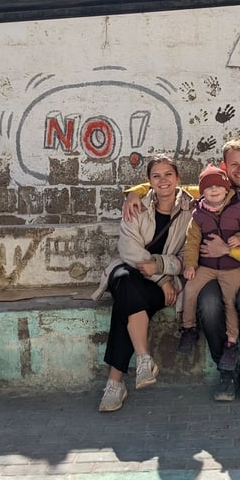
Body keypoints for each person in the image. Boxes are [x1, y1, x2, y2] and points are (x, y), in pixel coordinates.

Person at [124, 138, 240, 403]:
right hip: (212, 267)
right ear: (225, 166)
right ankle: (226, 368)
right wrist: (134, 192)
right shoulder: (213, 188)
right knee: (208, 303)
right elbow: (168, 185)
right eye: (234, 164)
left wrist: (229, 250)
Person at [92, 154, 194, 412]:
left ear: (178, 178)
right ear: (148, 182)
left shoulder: (191, 210)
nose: (163, 181)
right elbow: (128, 249)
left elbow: (188, 257)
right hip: (134, 274)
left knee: (125, 304)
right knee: (125, 281)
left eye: (168, 174)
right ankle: (142, 358)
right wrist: (160, 279)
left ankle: (115, 383)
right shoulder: (136, 206)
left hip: (163, 281)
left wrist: (159, 267)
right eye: (156, 176)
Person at [179, 164, 240, 376]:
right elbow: (192, 243)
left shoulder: (238, 209)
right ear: (201, 191)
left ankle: (231, 342)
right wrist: (190, 265)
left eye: (218, 186)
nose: (214, 190)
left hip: (232, 269)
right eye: (208, 187)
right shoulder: (198, 215)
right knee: (190, 291)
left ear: (227, 189)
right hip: (206, 267)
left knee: (230, 302)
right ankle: (189, 328)